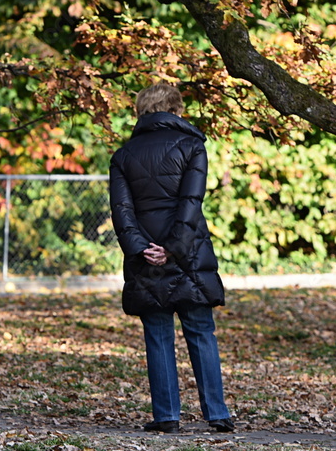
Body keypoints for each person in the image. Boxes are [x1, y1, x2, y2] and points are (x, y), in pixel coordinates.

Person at [109, 83, 234, 434]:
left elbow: (122, 211)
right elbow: (190, 203)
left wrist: (141, 247)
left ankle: (166, 416)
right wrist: (174, 247)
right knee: (201, 332)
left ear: (141, 112)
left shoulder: (123, 155)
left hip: (145, 257)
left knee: (158, 335)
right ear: (176, 109)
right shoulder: (193, 146)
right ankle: (217, 413)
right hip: (188, 253)